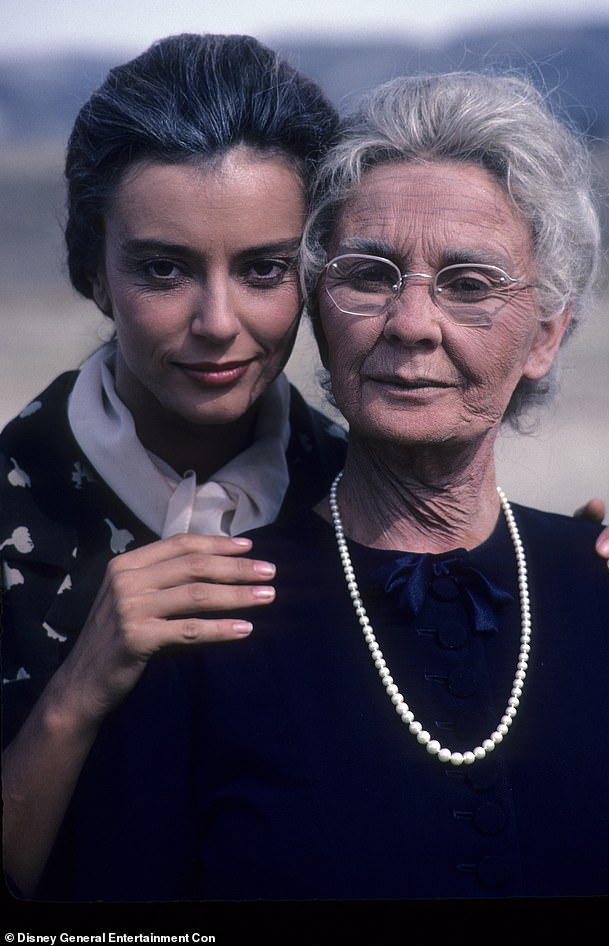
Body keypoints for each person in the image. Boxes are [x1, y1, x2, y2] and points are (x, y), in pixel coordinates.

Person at [21, 70, 609, 903]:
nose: (412, 323)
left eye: (470, 283)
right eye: (370, 273)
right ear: (322, 305)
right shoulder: (197, 626)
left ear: (547, 337)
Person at [0, 33, 346, 899]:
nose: (218, 321)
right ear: (93, 271)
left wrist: (581, 575)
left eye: (266, 267)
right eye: (164, 268)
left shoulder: (366, 499)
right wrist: (79, 688)